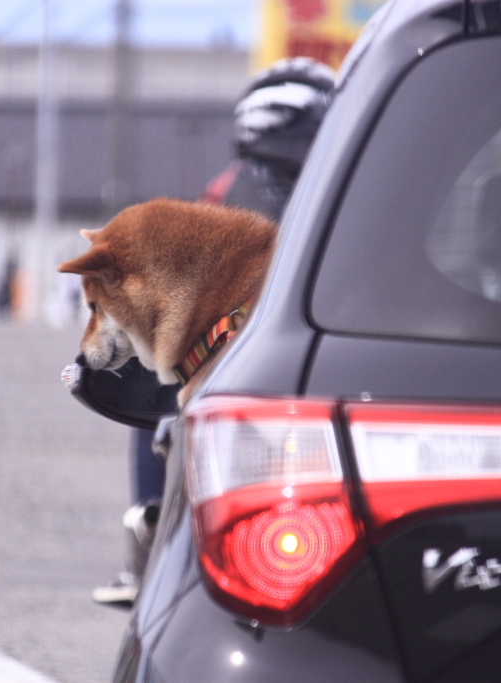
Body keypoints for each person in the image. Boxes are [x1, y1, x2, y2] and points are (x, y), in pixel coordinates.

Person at [87, 58, 336, 607]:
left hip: (253, 364)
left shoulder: (225, 190)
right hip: (306, 360)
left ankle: (147, 533)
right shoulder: (333, 189)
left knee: (157, 389)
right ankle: (149, 527)